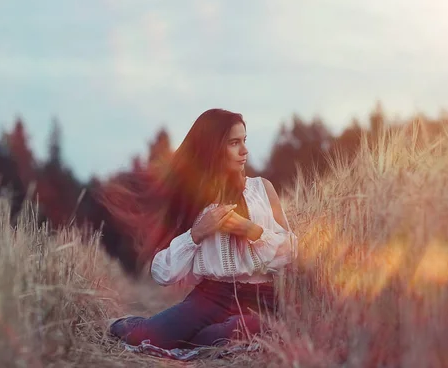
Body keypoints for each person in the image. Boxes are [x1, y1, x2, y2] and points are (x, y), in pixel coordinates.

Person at [98, 108, 298, 350]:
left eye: (244, 141)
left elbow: (291, 251)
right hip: (211, 297)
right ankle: (129, 325)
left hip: (260, 299)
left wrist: (250, 230)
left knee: (236, 333)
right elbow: (162, 273)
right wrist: (196, 234)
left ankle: (188, 335)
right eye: (234, 143)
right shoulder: (192, 201)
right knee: (145, 338)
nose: (244, 150)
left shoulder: (262, 189)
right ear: (212, 148)